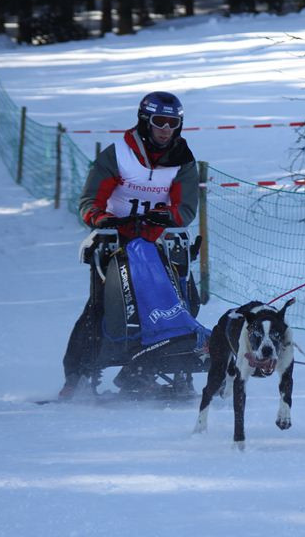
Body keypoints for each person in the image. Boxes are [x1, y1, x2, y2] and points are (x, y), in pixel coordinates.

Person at [60, 91, 199, 399]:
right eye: (159, 122)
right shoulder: (118, 154)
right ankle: (76, 376)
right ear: (144, 121)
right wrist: (100, 217)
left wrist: (161, 217)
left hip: (156, 242)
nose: (166, 129)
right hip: (115, 242)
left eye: (173, 123)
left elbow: (186, 209)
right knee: (101, 310)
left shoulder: (183, 162)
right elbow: (89, 201)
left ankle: (147, 369)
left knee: (186, 300)